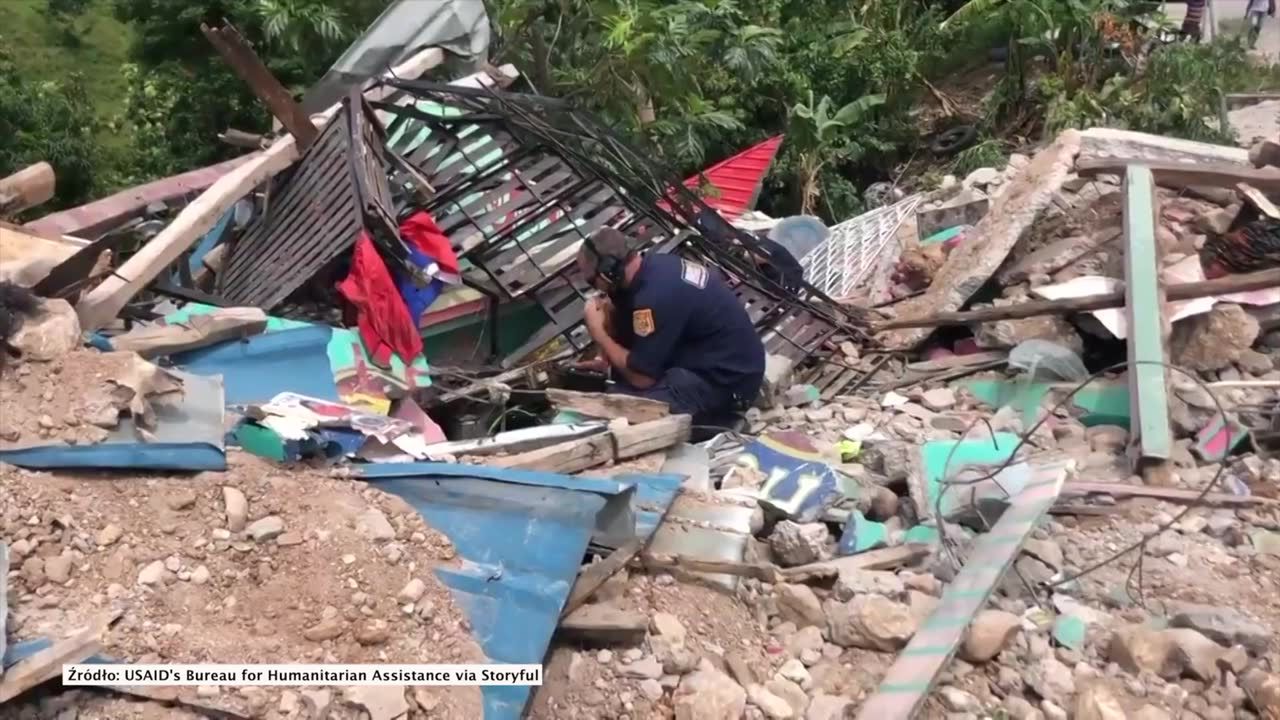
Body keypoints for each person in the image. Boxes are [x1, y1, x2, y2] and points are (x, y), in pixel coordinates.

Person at [575, 227, 766, 429]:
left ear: (608, 272)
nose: (595, 289)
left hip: (727, 384)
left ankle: (721, 421)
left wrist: (599, 333)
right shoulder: (653, 270)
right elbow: (629, 333)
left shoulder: (654, 297)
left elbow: (642, 379)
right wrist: (605, 360)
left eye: (591, 280)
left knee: (617, 408)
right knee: (613, 389)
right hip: (716, 364)